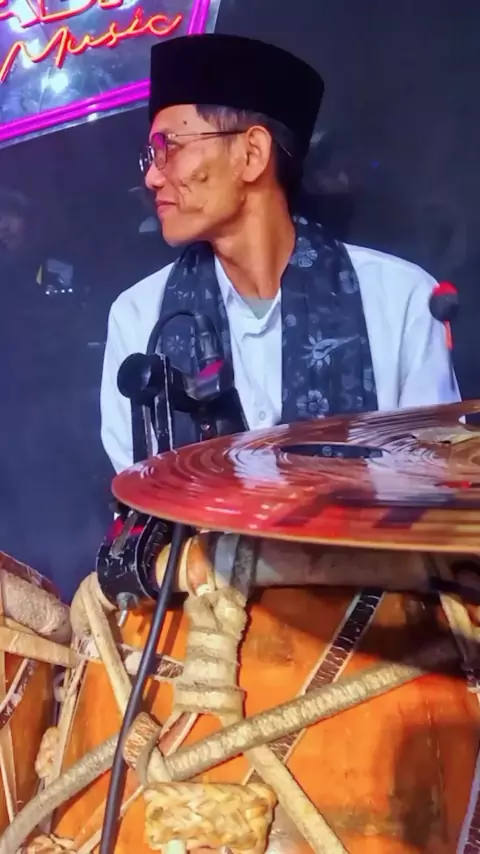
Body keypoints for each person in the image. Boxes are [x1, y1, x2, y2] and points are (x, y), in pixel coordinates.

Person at [101, 34, 460, 475]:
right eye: (151, 156)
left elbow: (432, 477)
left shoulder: (399, 299)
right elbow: (142, 489)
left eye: (169, 148)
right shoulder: (140, 319)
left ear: (251, 153)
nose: (153, 178)